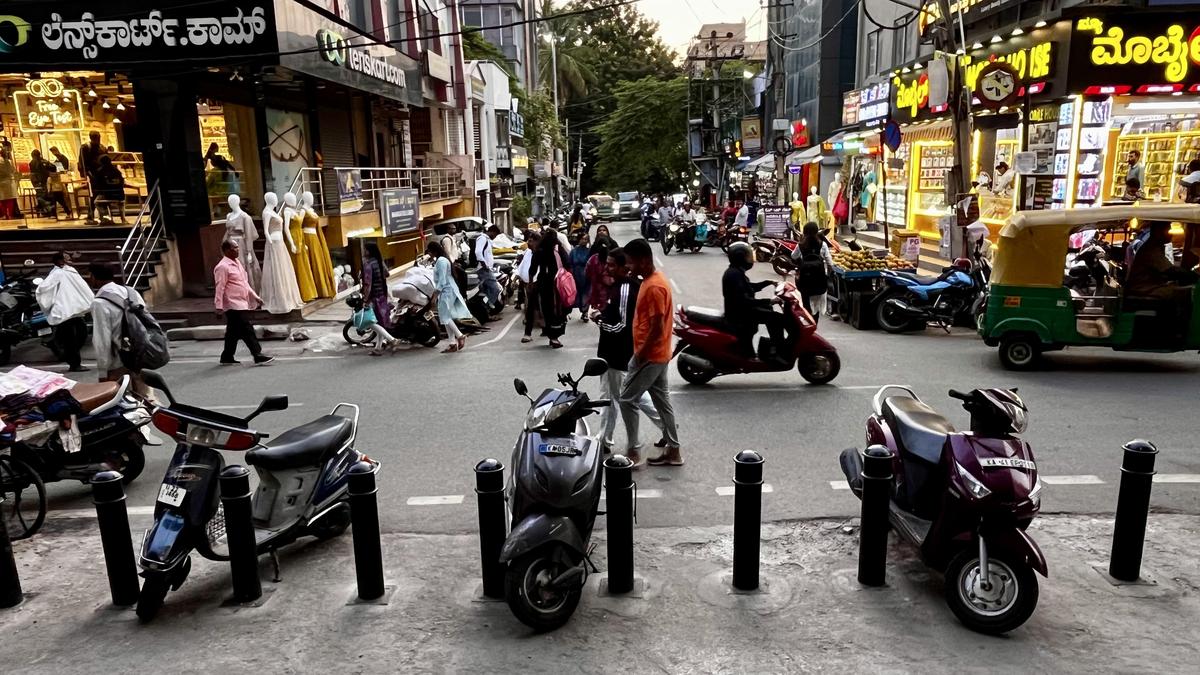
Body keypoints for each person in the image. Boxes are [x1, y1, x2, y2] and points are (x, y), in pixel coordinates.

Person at [619, 239, 681, 467]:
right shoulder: (651, 280)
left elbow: (656, 326)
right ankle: (673, 450)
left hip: (650, 355)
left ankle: (634, 452)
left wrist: (641, 354)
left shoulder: (654, 286)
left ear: (644, 261)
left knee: (627, 399)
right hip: (659, 353)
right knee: (662, 402)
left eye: (630, 262)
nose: (628, 267)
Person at [593, 249, 662, 454]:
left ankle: (667, 426)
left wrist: (599, 319)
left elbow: (622, 326)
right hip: (611, 352)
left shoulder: (625, 288)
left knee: (629, 396)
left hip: (618, 352)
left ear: (624, 267)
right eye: (607, 264)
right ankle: (604, 438)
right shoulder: (618, 286)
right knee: (610, 396)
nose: (607, 268)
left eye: (612, 265)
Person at [90, 263, 151, 390]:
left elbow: (102, 339)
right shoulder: (131, 292)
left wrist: (103, 372)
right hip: (139, 353)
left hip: (118, 360)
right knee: (145, 395)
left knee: (122, 398)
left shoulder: (99, 303)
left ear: (93, 277)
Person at [214, 240, 274, 366]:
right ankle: (257, 354)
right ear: (227, 250)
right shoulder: (222, 267)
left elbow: (244, 283)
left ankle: (227, 356)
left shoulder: (237, 263)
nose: (237, 250)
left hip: (242, 302)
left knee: (233, 332)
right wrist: (219, 306)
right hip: (232, 304)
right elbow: (220, 287)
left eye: (237, 247)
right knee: (247, 329)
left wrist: (255, 297)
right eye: (234, 248)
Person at [724, 241, 786, 360]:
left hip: (741, 309)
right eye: (748, 256)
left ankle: (769, 349)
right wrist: (769, 301)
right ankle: (776, 351)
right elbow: (744, 300)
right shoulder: (734, 275)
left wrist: (768, 282)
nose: (751, 259)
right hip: (739, 313)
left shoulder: (736, 272)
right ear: (740, 258)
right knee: (776, 318)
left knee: (769, 310)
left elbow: (749, 287)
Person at [35, 251, 93, 372]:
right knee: (71, 338)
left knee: (81, 334)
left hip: (74, 310)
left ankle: (70, 356)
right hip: (64, 310)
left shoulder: (69, 271)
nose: (70, 259)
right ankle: (74, 364)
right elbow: (43, 288)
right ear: (60, 261)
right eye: (67, 258)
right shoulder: (57, 273)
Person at [1126, 221, 1194, 301]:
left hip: (1148, 287)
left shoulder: (1155, 247)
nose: (1171, 234)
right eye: (1168, 231)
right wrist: (1192, 275)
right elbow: (1170, 270)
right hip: (1143, 290)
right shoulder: (1152, 250)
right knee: (1189, 291)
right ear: (1158, 232)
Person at [428, 240, 471, 353]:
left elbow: (442, 281)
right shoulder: (442, 260)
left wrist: (435, 296)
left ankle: (460, 336)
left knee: (444, 317)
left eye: (430, 252)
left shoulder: (441, 261)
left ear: (434, 251)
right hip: (448, 290)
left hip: (446, 291)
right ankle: (452, 343)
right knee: (446, 317)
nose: (429, 254)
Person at [532, 228, 569, 348]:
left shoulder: (540, 251)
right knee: (557, 311)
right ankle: (554, 337)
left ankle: (551, 335)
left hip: (544, 284)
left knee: (547, 310)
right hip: (556, 284)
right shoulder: (558, 250)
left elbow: (532, 268)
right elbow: (567, 263)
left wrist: (531, 281)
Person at [791, 222, 835, 322]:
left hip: (805, 280)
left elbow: (793, 256)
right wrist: (828, 275)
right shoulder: (822, 244)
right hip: (819, 280)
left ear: (804, 232)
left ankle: (808, 322)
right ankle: (815, 322)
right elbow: (830, 263)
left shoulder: (801, 245)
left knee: (806, 305)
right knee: (817, 305)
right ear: (816, 232)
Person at [361, 242, 399, 355]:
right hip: (382, 295)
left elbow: (368, 285)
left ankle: (392, 340)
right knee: (380, 322)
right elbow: (387, 274)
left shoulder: (368, 264)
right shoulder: (379, 261)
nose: (363, 251)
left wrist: (365, 299)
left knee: (369, 322)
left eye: (365, 249)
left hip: (374, 298)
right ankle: (378, 348)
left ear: (369, 251)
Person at [29, 150, 70, 218]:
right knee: (58, 199)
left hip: (42, 182)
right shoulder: (45, 161)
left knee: (46, 197)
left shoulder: (32, 163)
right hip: (51, 184)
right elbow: (53, 167)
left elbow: (34, 173)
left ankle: (47, 212)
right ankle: (61, 212)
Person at [520, 230, 543, 343]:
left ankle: (547, 330)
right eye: (528, 241)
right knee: (531, 308)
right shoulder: (528, 253)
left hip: (542, 284)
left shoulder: (542, 253)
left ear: (537, 241)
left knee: (542, 308)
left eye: (530, 241)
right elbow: (526, 268)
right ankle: (527, 333)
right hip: (532, 285)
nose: (528, 243)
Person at [79, 131, 105, 223]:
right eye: (96, 137)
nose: (98, 139)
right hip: (92, 175)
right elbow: (82, 163)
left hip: (102, 174)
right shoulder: (85, 147)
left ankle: (102, 215)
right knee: (93, 195)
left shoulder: (102, 147)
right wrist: (86, 175)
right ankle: (91, 216)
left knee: (101, 194)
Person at [474, 224, 502, 309]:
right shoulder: (482, 238)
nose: (495, 237)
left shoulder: (487, 240)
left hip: (486, 269)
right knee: (495, 289)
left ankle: (484, 307)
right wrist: (484, 265)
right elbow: (478, 252)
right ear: (492, 232)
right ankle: (488, 305)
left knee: (486, 291)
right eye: (495, 235)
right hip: (484, 270)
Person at [93, 155, 126, 221]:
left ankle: (105, 218)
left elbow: (97, 185)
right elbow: (122, 182)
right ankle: (123, 219)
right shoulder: (117, 171)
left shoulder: (100, 171)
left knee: (97, 202)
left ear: (101, 162)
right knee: (121, 203)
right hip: (119, 196)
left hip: (106, 195)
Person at [569, 232, 591, 321]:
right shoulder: (573, 251)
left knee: (586, 293)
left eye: (586, 239)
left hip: (586, 275)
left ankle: (585, 312)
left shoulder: (589, 251)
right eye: (582, 239)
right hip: (576, 274)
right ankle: (581, 309)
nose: (584, 241)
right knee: (578, 294)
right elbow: (570, 263)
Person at [0, 147, 19, 220]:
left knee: (2, 199)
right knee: (10, 199)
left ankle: (5, 214)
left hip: (1, 181)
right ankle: (10, 214)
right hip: (9, 182)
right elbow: (13, 170)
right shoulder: (10, 162)